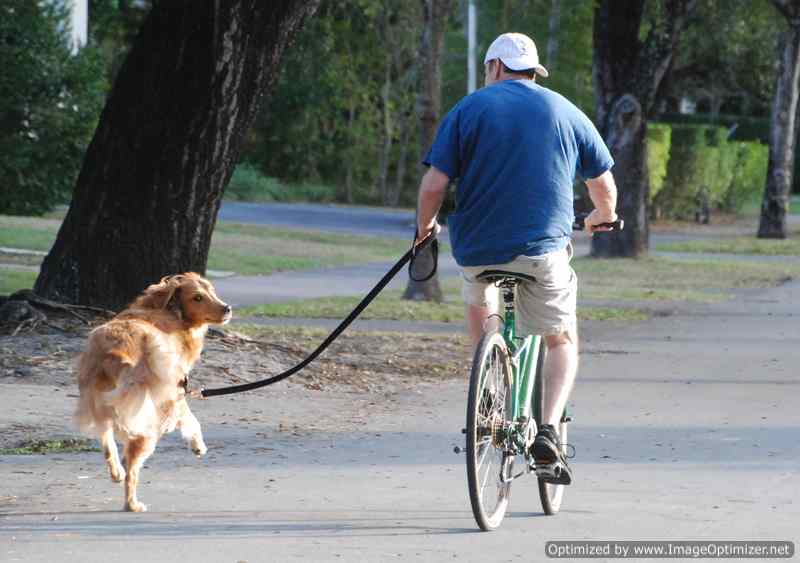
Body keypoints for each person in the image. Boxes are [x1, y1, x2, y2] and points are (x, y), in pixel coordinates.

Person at [414, 32, 618, 484]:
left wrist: (424, 229)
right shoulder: (565, 110)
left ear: (493, 67)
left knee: (479, 295)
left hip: (477, 249)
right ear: (532, 72)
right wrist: (602, 218)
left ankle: (488, 380)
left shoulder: (468, 109)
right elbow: (603, 185)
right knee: (561, 338)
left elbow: (434, 185)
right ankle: (547, 431)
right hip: (542, 251)